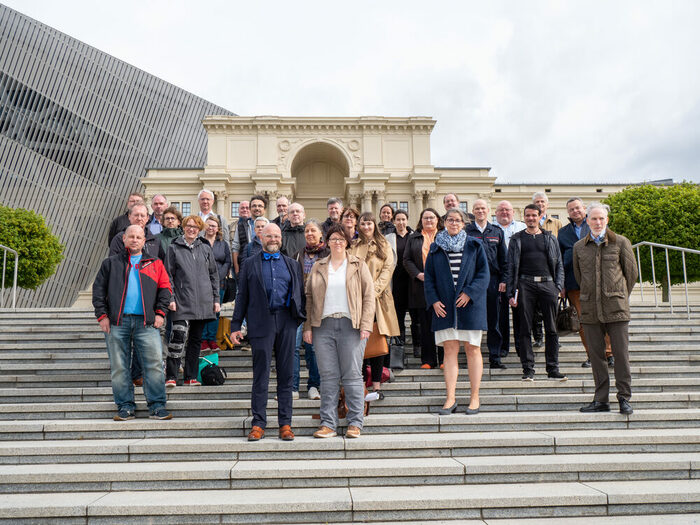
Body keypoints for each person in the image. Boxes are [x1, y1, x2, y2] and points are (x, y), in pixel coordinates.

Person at [231, 223, 305, 441]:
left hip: (286, 322)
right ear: (260, 237)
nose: (273, 239)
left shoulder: (292, 264)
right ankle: (258, 423)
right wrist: (236, 325)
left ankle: (285, 424)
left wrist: (300, 318)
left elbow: (300, 293)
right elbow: (241, 295)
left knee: (286, 375)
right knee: (261, 374)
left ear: (281, 238)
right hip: (261, 322)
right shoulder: (249, 264)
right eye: (269, 236)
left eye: (276, 236)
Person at [92, 225, 172, 421]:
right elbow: (98, 291)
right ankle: (125, 407)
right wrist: (102, 316)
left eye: (139, 237)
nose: (135, 240)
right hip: (117, 322)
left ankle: (157, 406)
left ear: (144, 241)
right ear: (124, 239)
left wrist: (161, 313)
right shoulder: (110, 264)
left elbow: (165, 289)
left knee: (153, 365)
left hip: (147, 323)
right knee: (119, 367)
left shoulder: (155, 263)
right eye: (131, 237)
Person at [304, 224, 374, 439]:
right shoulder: (318, 266)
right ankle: (328, 424)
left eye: (341, 239)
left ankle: (355, 422)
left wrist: (366, 324)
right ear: (327, 241)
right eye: (333, 238)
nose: (337, 242)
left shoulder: (358, 265)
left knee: (352, 375)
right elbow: (308, 298)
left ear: (347, 242)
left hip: (350, 325)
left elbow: (369, 296)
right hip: (322, 326)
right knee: (327, 377)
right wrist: (308, 327)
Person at [575, 203, 638, 415]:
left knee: (620, 355)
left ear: (607, 220)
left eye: (601, 218)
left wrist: (618, 294)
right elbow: (579, 276)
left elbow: (631, 275)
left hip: (616, 308)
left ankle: (624, 398)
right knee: (596, 356)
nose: (597, 222)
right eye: (593, 218)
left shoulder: (621, 242)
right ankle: (601, 400)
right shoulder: (579, 247)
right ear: (587, 220)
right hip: (591, 308)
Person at [425, 209, 489, 415]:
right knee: (450, 350)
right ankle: (450, 398)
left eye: (457, 220)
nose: (454, 223)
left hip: (469, 306)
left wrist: (470, 293)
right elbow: (429, 278)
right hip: (444, 308)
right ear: (444, 222)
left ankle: (474, 397)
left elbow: (483, 274)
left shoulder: (474, 245)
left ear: (463, 223)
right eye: (450, 220)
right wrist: (433, 300)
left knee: (473, 349)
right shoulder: (435, 248)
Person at [505, 204, 566, 382]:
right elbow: (510, 268)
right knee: (523, 328)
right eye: (527, 216)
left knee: (552, 329)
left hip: (548, 284)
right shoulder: (516, 239)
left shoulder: (550, 238)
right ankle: (528, 369)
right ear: (523, 217)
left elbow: (559, 264)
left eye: (534, 215)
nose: (531, 218)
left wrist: (558, 286)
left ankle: (553, 369)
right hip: (524, 285)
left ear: (540, 217)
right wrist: (510, 293)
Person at [349, 212, 400, 399]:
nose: (366, 227)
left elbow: (388, 269)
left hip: (378, 299)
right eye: (363, 223)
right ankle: (361, 386)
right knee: (360, 344)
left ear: (374, 225)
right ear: (359, 226)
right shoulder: (353, 246)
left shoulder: (384, 244)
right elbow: (349, 270)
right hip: (357, 300)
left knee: (377, 344)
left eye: (369, 223)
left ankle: (377, 387)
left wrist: (373, 291)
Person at [165, 215, 220, 387]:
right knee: (178, 338)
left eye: (195, 227)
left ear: (199, 229)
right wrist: (171, 298)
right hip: (181, 301)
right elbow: (168, 275)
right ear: (183, 227)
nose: (191, 229)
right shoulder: (174, 247)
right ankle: (171, 376)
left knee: (196, 341)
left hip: (203, 302)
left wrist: (216, 299)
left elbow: (214, 275)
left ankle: (190, 377)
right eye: (188, 226)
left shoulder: (205, 248)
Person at [558, 197, 614, 368]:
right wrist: (562, 285)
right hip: (574, 283)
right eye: (571, 210)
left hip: (598, 281)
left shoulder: (597, 226)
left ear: (584, 208)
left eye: (577, 208)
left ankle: (609, 353)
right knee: (583, 321)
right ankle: (592, 355)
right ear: (568, 212)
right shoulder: (563, 232)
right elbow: (559, 260)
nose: (575, 211)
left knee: (603, 318)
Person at [465, 199, 507, 369]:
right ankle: (471, 358)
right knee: (471, 320)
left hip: (493, 282)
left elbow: (504, 259)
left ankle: (495, 357)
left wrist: (504, 280)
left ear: (488, 210)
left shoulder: (496, 231)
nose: (480, 211)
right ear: (473, 211)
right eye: (477, 208)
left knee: (493, 321)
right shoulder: (466, 231)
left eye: (483, 208)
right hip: (472, 282)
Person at [290, 219, 329, 400]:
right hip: (298, 307)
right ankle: (293, 387)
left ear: (321, 233)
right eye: (307, 231)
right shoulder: (298, 255)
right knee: (294, 347)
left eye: (313, 230)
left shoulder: (328, 254)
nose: (309, 234)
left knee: (313, 348)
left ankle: (314, 385)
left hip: (319, 307)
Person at [403, 208, 444, 369]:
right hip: (421, 287)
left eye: (432, 218)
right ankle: (428, 360)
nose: (429, 221)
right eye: (425, 218)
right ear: (421, 220)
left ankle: (443, 359)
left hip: (442, 287)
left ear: (437, 220)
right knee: (425, 325)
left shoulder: (444, 236)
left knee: (441, 323)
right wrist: (418, 274)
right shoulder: (414, 238)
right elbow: (406, 260)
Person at [494, 200, 526, 359]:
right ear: (495, 213)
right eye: (501, 210)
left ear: (513, 212)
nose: (504, 212)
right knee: (501, 316)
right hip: (500, 277)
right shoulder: (492, 229)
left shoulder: (522, 227)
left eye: (507, 210)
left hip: (519, 277)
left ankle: (521, 347)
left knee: (520, 314)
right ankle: (503, 346)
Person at [531, 192, 563, 347]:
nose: (540, 204)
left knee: (552, 308)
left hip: (551, 272)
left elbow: (561, 249)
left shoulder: (556, 224)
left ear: (547, 205)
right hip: (534, 270)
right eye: (537, 201)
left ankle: (554, 337)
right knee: (535, 309)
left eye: (543, 201)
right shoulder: (528, 222)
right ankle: (538, 337)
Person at [391, 209, 421, 358]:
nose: (401, 222)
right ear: (394, 221)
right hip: (397, 282)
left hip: (413, 282)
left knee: (416, 317)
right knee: (398, 315)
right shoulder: (389, 238)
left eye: (403, 219)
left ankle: (417, 346)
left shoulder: (414, 236)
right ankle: (399, 345)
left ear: (407, 221)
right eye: (398, 219)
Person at [201, 216, 232, 351]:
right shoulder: (199, 242)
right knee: (203, 311)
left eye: (213, 225)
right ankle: (203, 340)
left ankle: (212, 340)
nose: (211, 228)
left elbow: (227, 261)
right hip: (202, 282)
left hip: (219, 282)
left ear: (218, 228)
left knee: (215, 311)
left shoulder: (223, 243)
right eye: (208, 225)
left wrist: (219, 276)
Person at [232, 195, 268, 275]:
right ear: (250, 208)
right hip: (246, 266)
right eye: (254, 206)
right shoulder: (241, 225)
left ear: (264, 209)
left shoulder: (270, 225)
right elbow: (235, 247)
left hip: (266, 266)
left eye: (260, 206)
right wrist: (237, 269)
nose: (257, 208)